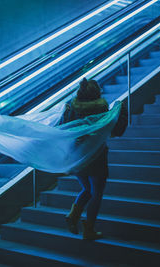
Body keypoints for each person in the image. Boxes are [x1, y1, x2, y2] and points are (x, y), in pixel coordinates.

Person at [59, 77, 128, 240]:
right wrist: (121, 110)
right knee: (96, 193)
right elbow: (116, 131)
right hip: (97, 155)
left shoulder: (71, 107)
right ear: (97, 93)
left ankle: (73, 214)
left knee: (86, 189)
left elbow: (64, 128)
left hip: (78, 156)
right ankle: (89, 229)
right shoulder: (102, 108)